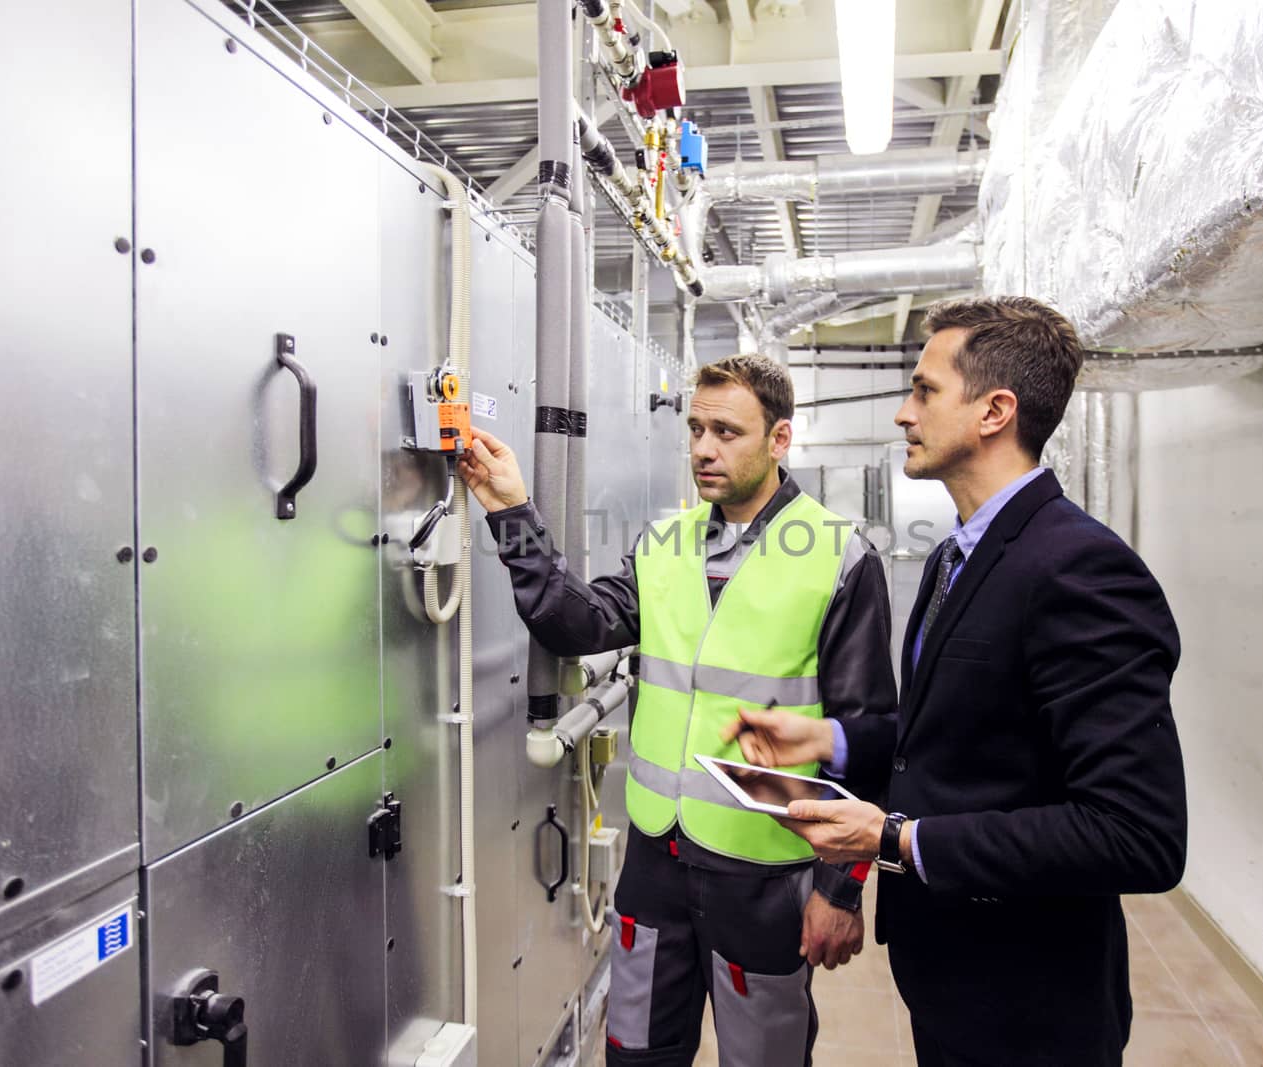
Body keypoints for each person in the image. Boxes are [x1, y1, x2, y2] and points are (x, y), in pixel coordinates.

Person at [725, 297, 1188, 1067]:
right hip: (951, 982)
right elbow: (955, 739)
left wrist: (894, 839)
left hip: (1031, 1007)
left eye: (925, 390)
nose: (904, 413)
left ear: (995, 411)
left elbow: (1136, 833)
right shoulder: (955, 557)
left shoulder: (1079, 567)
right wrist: (830, 737)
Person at [458, 354, 897, 1067]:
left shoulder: (839, 557)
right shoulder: (665, 543)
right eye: (695, 428)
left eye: (726, 430)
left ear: (779, 440)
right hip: (655, 865)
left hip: (765, 876)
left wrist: (839, 889)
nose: (702, 447)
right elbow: (579, 622)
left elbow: (870, 735)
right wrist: (512, 511)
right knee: (635, 1053)